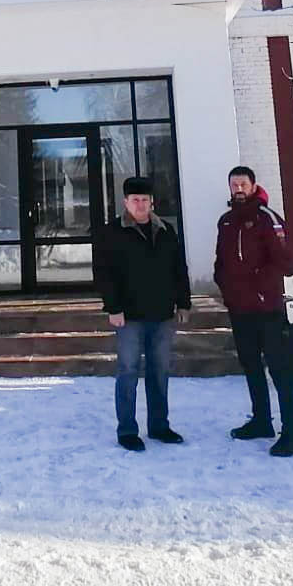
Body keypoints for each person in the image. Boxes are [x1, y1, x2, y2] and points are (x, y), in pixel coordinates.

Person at [92, 175, 191, 452]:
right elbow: (103, 274)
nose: (140, 205)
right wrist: (113, 307)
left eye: (145, 200)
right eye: (135, 200)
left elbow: (178, 269)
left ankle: (159, 426)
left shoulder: (166, 230)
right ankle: (127, 430)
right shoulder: (112, 232)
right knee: (128, 371)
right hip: (129, 316)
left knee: (160, 371)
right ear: (125, 202)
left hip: (161, 314)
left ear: (152, 202)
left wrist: (183, 303)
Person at [213, 165, 293, 456]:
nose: (238, 188)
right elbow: (221, 262)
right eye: (234, 184)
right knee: (250, 366)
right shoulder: (226, 222)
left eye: (243, 183)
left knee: (280, 370)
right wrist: (225, 286)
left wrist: (261, 285)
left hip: (268, 309)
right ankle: (262, 420)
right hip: (240, 310)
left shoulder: (268, 219)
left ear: (253, 186)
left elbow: (286, 260)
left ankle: (292, 434)